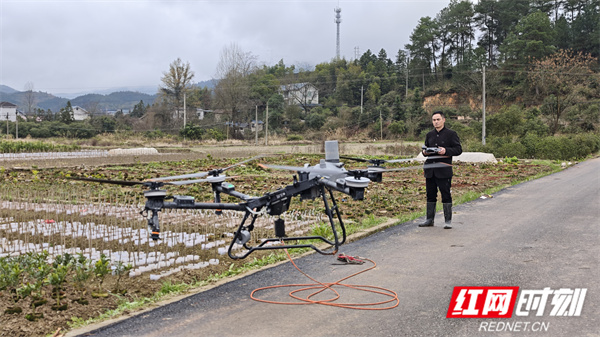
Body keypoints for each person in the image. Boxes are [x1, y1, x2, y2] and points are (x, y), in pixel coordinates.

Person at [419, 111, 462, 229]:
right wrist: (424, 152)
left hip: (443, 170)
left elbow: (458, 149)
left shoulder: (451, 134)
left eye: (438, 119)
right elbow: (425, 149)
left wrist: (446, 151)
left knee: (445, 194)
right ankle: (429, 219)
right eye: (434, 120)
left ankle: (448, 221)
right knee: (430, 195)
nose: (436, 122)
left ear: (443, 120)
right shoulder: (429, 135)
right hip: (430, 170)